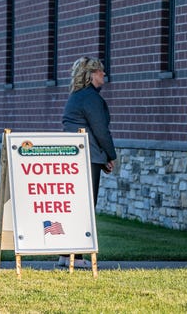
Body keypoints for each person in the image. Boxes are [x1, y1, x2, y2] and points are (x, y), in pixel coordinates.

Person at [61, 56, 117, 269]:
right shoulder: (90, 98)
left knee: (74, 206)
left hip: (76, 156)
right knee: (84, 207)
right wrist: (110, 155)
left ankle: (66, 255)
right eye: (101, 71)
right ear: (91, 74)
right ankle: (78, 255)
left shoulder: (76, 97)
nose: (104, 75)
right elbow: (100, 130)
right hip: (86, 158)